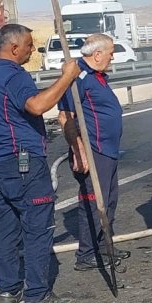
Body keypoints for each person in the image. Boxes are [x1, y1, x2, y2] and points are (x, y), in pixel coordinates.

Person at [0, 24, 80, 303]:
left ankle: (9, 291)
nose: (32, 50)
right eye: (28, 45)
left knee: (7, 228)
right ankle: (37, 296)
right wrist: (66, 77)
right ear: (13, 48)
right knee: (37, 227)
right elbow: (36, 106)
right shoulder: (14, 76)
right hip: (22, 162)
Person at [57, 33, 131, 272]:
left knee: (108, 200)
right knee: (92, 202)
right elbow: (66, 116)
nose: (112, 57)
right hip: (93, 150)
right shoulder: (77, 76)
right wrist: (78, 149)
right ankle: (86, 254)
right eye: (110, 52)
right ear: (97, 54)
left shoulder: (97, 76)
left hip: (108, 151)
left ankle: (102, 245)